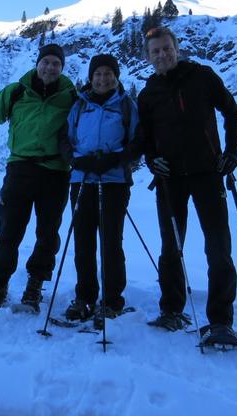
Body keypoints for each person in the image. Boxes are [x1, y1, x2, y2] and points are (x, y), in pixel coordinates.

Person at [137, 27, 237, 343]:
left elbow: (233, 114)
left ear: (177, 48)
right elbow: (144, 138)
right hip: (169, 180)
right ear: (147, 57)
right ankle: (171, 310)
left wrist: (231, 154)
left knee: (218, 248)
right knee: (171, 248)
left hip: (207, 175)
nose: (162, 54)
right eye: (155, 51)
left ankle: (221, 321)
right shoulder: (148, 94)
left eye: (166, 48)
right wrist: (151, 159)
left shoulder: (202, 77)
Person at [0, 44, 77, 312]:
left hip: (55, 173)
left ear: (62, 67)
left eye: (56, 63)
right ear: (37, 63)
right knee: (9, 231)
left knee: (47, 234)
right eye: (46, 62)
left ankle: (34, 287)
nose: (50, 67)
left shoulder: (71, 96)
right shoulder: (17, 91)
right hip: (20, 169)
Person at [59, 54, 138, 329]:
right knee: (83, 243)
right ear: (91, 77)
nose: (103, 79)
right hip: (82, 180)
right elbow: (65, 139)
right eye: (98, 74)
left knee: (110, 243)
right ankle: (85, 298)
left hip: (114, 182)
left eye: (108, 73)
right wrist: (75, 160)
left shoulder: (126, 105)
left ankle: (113, 300)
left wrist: (115, 159)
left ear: (116, 76)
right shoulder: (79, 106)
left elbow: (137, 142)